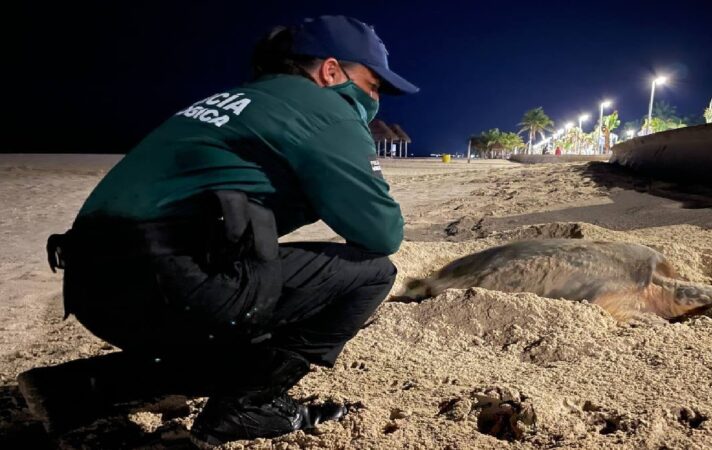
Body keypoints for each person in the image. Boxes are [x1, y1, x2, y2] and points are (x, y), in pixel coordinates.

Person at [18, 15, 418, 445]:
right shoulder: (326, 111)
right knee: (371, 273)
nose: (376, 97)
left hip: (91, 284)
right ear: (332, 70)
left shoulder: (236, 100)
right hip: (167, 284)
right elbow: (381, 233)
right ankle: (246, 407)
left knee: (249, 300)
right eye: (373, 83)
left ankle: (74, 389)